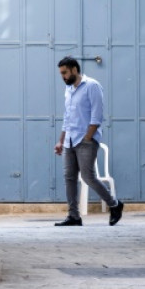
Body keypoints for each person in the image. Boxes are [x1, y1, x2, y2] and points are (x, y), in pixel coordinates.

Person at [53, 56, 124, 226]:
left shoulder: (92, 86)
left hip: (86, 140)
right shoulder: (69, 90)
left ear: (74, 69)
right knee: (69, 177)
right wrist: (60, 141)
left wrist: (88, 137)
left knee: (88, 176)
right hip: (70, 139)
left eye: (65, 73)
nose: (63, 76)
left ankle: (115, 204)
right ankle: (74, 216)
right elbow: (67, 118)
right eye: (61, 73)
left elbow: (97, 116)